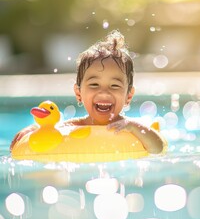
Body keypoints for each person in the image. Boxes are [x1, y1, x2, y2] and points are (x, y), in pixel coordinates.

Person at [10, 30, 166, 154]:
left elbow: (157, 149)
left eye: (114, 86)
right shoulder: (73, 125)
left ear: (128, 96)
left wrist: (133, 126)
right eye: (94, 84)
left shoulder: (131, 127)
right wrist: (35, 129)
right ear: (78, 93)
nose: (104, 93)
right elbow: (51, 130)